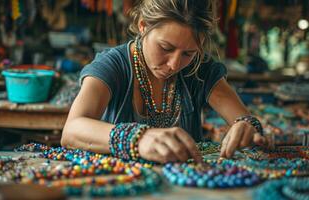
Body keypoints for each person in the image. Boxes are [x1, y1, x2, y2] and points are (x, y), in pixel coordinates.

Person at [61, 0, 266, 164]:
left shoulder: (200, 69)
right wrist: (138, 138)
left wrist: (247, 127)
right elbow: (72, 132)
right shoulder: (113, 65)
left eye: (188, 53)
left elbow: (246, 122)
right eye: (166, 48)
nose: (175, 64)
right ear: (143, 26)